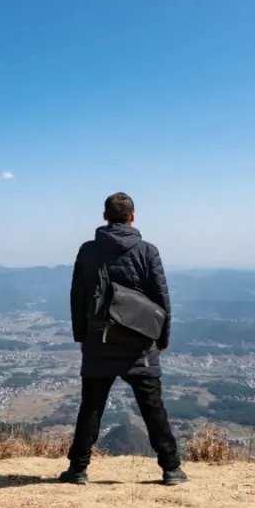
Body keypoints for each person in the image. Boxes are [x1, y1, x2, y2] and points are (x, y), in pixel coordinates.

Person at [59, 192, 188, 486]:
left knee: (91, 407)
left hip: (98, 341)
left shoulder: (88, 251)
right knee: (153, 408)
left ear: (105, 217)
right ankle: (171, 469)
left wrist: (81, 335)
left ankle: (78, 469)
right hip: (140, 344)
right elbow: (161, 300)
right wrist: (162, 338)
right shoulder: (147, 252)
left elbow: (77, 297)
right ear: (132, 217)